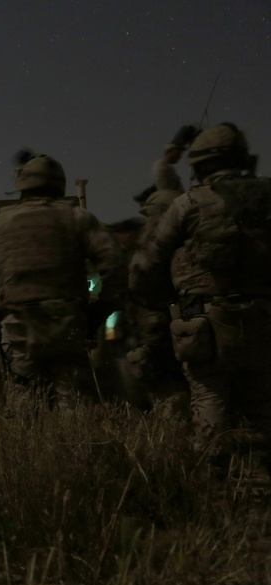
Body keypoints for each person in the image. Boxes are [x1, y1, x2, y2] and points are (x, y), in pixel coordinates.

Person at [130, 123, 271, 466]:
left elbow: (146, 267)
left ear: (201, 165)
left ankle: (216, 485)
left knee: (210, 400)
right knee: (262, 405)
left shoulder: (189, 203)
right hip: (264, 320)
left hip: (206, 326)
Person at [0, 154, 126, 407]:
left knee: (24, 404)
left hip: (19, 326)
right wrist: (100, 309)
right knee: (73, 402)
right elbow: (115, 263)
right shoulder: (77, 217)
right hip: (67, 323)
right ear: (58, 186)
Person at [123, 190, 189, 410]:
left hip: (158, 319)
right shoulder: (191, 236)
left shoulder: (155, 239)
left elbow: (139, 280)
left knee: (163, 381)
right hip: (189, 317)